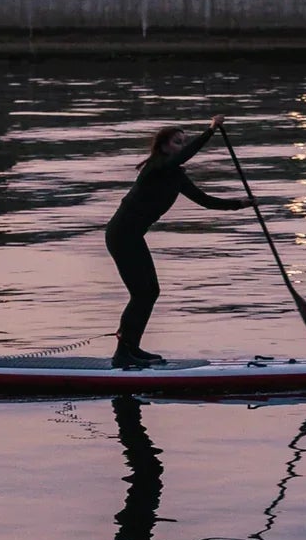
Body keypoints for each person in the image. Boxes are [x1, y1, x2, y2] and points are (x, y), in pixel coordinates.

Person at [105, 114, 247, 368]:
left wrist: (240, 204)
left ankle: (130, 348)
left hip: (132, 236)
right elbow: (184, 156)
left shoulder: (176, 176)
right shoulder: (155, 168)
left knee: (150, 292)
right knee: (142, 293)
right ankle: (123, 353)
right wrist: (210, 131)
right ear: (163, 147)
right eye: (177, 142)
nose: (182, 146)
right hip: (121, 234)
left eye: (183, 142)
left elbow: (205, 201)